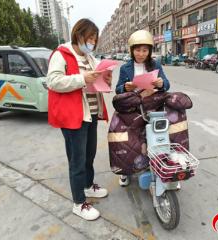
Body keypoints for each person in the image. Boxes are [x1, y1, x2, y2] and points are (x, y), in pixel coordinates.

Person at [47, 19, 112, 221]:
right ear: (79, 34)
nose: (92, 42)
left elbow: (95, 80)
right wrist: (83, 78)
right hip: (73, 117)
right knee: (77, 161)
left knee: (89, 155)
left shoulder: (90, 57)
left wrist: (105, 79)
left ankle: (88, 185)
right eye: (89, 37)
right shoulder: (62, 54)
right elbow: (53, 81)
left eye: (94, 39)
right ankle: (78, 203)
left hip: (90, 114)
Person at [115, 30, 170, 186]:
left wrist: (161, 84)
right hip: (133, 109)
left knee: (157, 137)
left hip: (153, 107)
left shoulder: (155, 65)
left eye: (145, 50)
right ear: (132, 50)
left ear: (149, 51)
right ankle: (125, 171)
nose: (141, 53)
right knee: (129, 141)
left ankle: (161, 169)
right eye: (137, 50)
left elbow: (166, 84)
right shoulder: (125, 68)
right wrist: (125, 87)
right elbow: (118, 89)